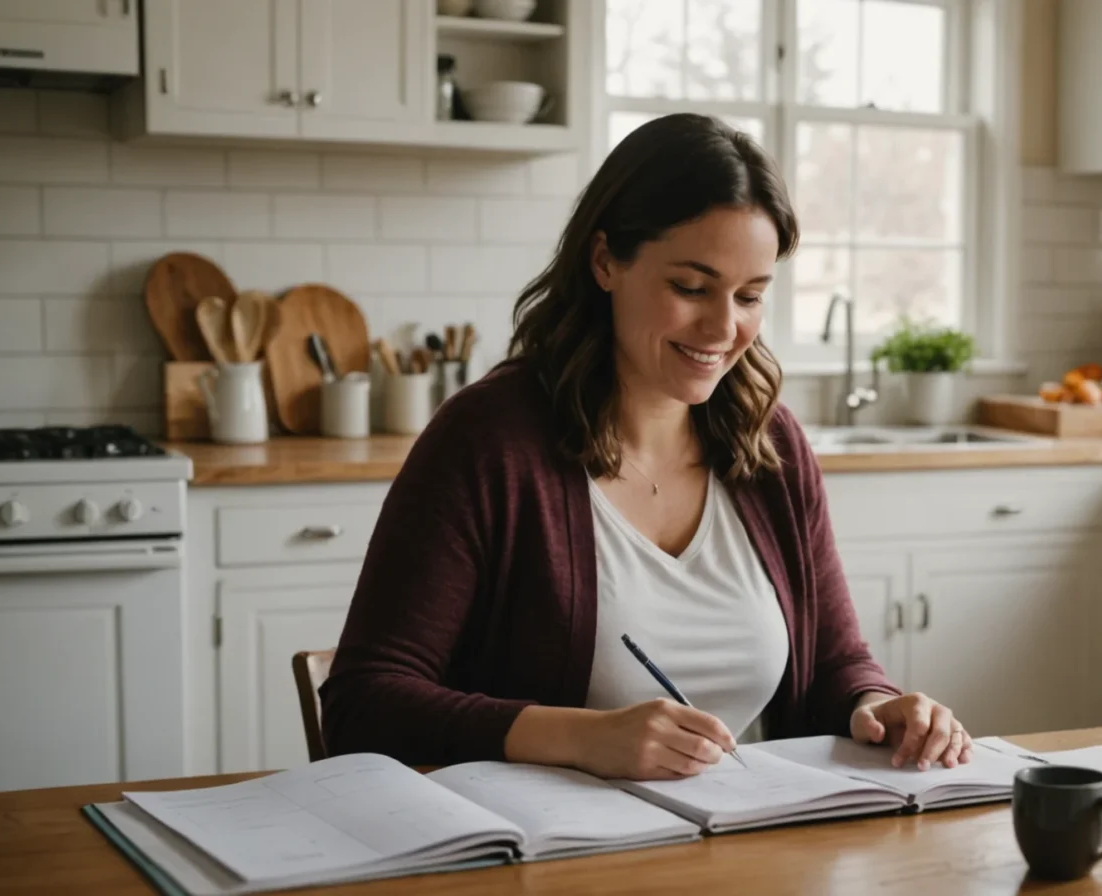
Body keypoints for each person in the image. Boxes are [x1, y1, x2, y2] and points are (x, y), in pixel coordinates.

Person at [321, 113, 974, 781]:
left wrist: (881, 705)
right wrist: (580, 737)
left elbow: (835, 662)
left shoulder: (769, 444)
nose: (724, 327)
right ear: (605, 261)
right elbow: (362, 705)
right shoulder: (488, 442)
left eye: (750, 295)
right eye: (690, 288)